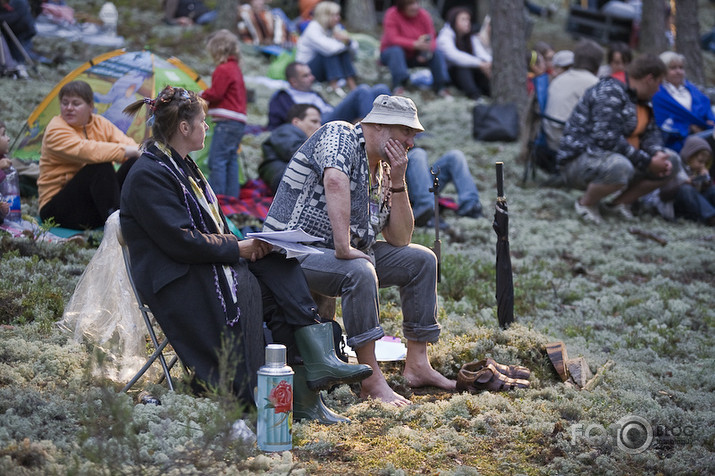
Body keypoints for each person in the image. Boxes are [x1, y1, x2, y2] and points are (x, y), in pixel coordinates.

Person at [119, 85, 372, 414]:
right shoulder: (149, 174)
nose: (206, 128)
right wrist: (238, 248)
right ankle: (282, 385)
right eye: (203, 122)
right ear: (184, 128)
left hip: (200, 267)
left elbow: (205, 234)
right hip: (179, 282)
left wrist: (249, 245)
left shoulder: (181, 167)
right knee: (252, 283)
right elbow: (181, 241)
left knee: (279, 262)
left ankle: (313, 378)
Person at [264, 95, 456, 406]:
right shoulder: (339, 133)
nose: (410, 141)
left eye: (414, 135)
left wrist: (397, 180)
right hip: (292, 251)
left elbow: (400, 239)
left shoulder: (382, 170)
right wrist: (344, 246)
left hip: (340, 254)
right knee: (358, 269)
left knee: (421, 260)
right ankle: (369, 378)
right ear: (378, 125)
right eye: (406, 132)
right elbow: (335, 181)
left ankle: (418, 365)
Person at [556, 54, 678, 225]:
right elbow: (606, 139)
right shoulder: (610, 91)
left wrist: (657, 153)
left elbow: (651, 133)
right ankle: (585, 204)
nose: (658, 90)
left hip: (619, 156)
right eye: (659, 83)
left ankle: (617, 204)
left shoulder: (644, 100)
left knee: (672, 161)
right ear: (650, 79)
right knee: (620, 167)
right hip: (578, 160)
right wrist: (647, 161)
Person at [38, 80, 140, 230]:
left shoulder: (100, 123)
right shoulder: (55, 129)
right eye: (65, 103)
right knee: (100, 166)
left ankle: (138, 214)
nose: (69, 108)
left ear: (91, 106)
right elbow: (87, 150)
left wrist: (140, 152)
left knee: (135, 162)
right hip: (56, 210)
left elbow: (131, 146)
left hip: (91, 205)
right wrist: (127, 150)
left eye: (76, 104)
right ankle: (118, 227)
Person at [267, 61, 389, 130]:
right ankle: (371, 133)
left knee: (380, 90)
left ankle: (392, 128)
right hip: (319, 124)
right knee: (362, 91)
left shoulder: (312, 93)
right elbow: (279, 124)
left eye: (310, 74)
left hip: (332, 115)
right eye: (306, 76)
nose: (312, 78)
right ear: (293, 81)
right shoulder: (282, 98)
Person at [200, 29, 247, 199]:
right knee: (230, 159)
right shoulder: (235, 68)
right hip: (238, 121)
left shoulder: (223, 69)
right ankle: (232, 197)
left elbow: (217, 93)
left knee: (217, 160)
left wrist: (201, 95)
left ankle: (217, 198)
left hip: (227, 121)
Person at [379, 0, 450, 96]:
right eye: (411, 4)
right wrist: (414, 44)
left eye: (416, 3)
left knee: (437, 53)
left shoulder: (424, 15)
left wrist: (426, 52)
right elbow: (393, 39)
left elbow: (432, 37)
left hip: (417, 55)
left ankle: (441, 86)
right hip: (393, 55)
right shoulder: (392, 14)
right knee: (396, 51)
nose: (415, 7)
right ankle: (399, 85)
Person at [543, 39, 603, 151]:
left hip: (549, 137)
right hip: (567, 144)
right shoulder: (594, 84)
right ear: (597, 66)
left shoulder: (560, 79)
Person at [652, 51, 715, 156]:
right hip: (678, 141)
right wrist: (688, 127)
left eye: (681, 68)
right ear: (663, 71)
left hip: (706, 133)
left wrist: (707, 123)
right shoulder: (658, 93)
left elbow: (706, 109)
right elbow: (663, 123)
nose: (678, 71)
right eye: (673, 68)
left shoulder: (691, 88)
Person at [406, 147, 483, 226]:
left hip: (420, 180)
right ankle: (425, 210)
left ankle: (470, 206)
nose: (410, 141)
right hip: (403, 185)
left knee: (455, 156)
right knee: (418, 154)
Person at [296, 1, 358, 93]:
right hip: (306, 70)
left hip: (323, 69)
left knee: (342, 52)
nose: (338, 18)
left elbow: (355, 49)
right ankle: (335, 86)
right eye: (335, 15)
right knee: (329, 53)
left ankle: (351, 84)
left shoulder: (334, 28)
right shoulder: (313, 29)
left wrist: (348, 41)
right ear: (326, 16)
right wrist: (343, 43)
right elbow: (330, 49)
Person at [259, 104, 321, 195]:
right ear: (296, 122)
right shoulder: (286, 130)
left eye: (319, 122)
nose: (319, 126)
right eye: (314, 121)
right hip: (282, 176)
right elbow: (297, 153)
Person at [654, 136, 715, 226]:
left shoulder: (698, 170)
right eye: (700, 161)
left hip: (696, 206)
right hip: (675, 207)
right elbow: (663, 194)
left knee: (712, 190)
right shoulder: (675, 167)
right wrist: (684, 183)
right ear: (690, 157)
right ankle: (711, 217)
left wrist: (706, 181)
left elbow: (705, 192)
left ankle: (709, 215)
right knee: (686, 189)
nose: (702, 165)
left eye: (705, 163)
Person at [436, 8, 491, 100]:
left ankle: (489, 93)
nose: (467, 22)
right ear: (454, 20)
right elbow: (454, 56)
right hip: (450, 75)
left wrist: (489, 63)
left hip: (470, 73)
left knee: (482, 69)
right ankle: (475, 95)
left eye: (468, 19)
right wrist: (480, 63)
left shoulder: (471, 37)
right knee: (462, 68)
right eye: (463, 19)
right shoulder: (445, 36)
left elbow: (481, 54)